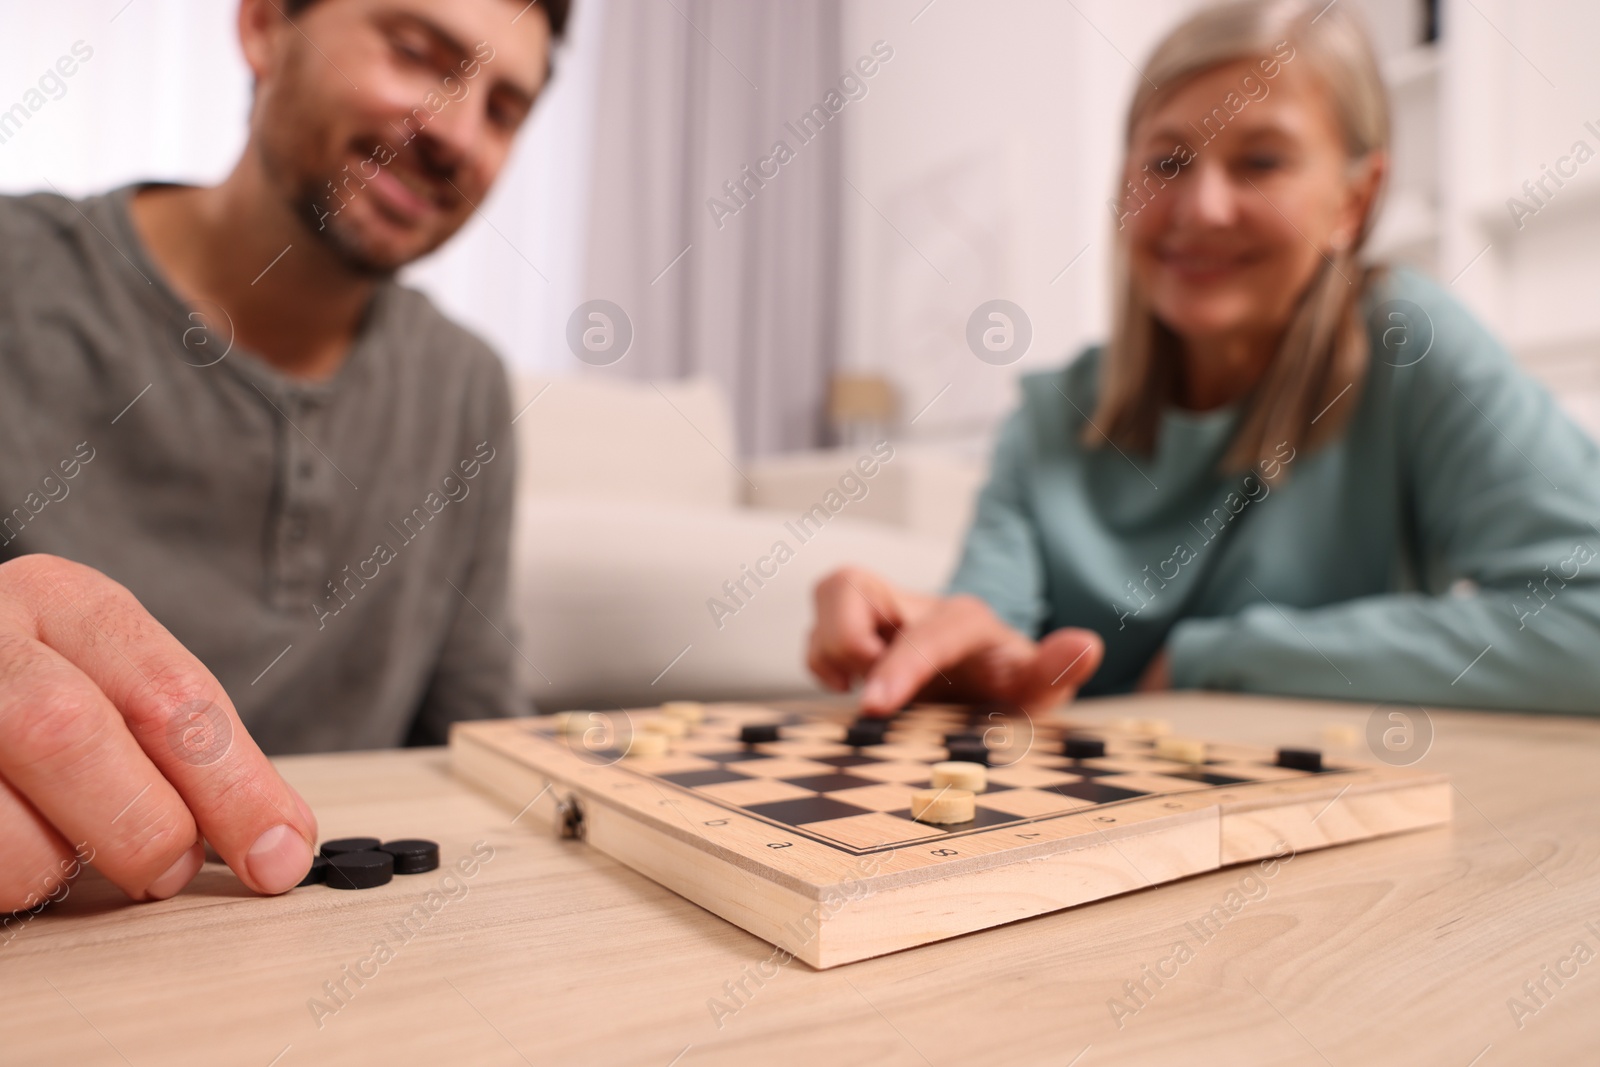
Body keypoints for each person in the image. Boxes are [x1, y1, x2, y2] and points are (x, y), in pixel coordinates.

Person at [808, 0, 1600, 721]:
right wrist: (939, 643)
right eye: (1167, 162)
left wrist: (1214, 657)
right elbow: (989, 626)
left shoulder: (1409, 339)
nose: (1201, 209)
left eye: (1261, 162)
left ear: (1354, 200)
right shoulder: (1047, 416)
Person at [0, 0, 568, 916]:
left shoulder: (467, 385)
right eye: (420, 53)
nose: (457, 136)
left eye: (504, 109)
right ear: (265, 24)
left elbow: (488, 742)